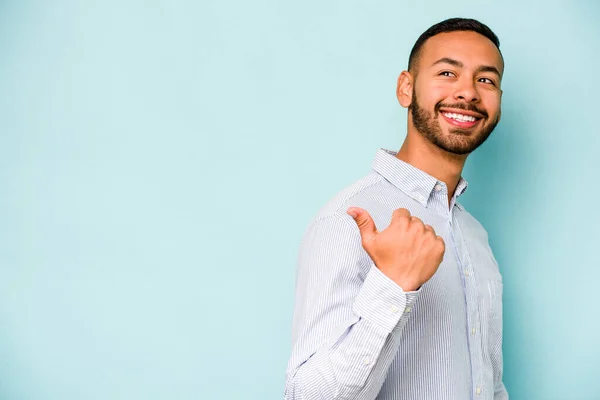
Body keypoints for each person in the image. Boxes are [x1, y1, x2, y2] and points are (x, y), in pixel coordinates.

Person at [284, 18, 508, 400]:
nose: (468, 93)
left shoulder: (474, 234)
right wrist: (394, 286)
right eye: (447, 72)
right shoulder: (347, 220)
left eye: (485, 80)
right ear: (406, 88)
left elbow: (489, 382)